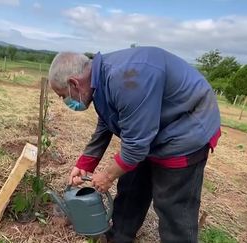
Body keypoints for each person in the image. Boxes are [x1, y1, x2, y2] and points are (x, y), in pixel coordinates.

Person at [47, 47, 221, 243]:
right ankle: (119, 237)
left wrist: (107, 176)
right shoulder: (100, 80)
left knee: (173, 206)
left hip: (186, 128)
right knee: (131, 187)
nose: (65, 101)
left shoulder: (126, 79)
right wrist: (85, 164)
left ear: (73, 83)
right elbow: (108, 120)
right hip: (150, 129)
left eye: (63, 95)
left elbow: (136, 147)